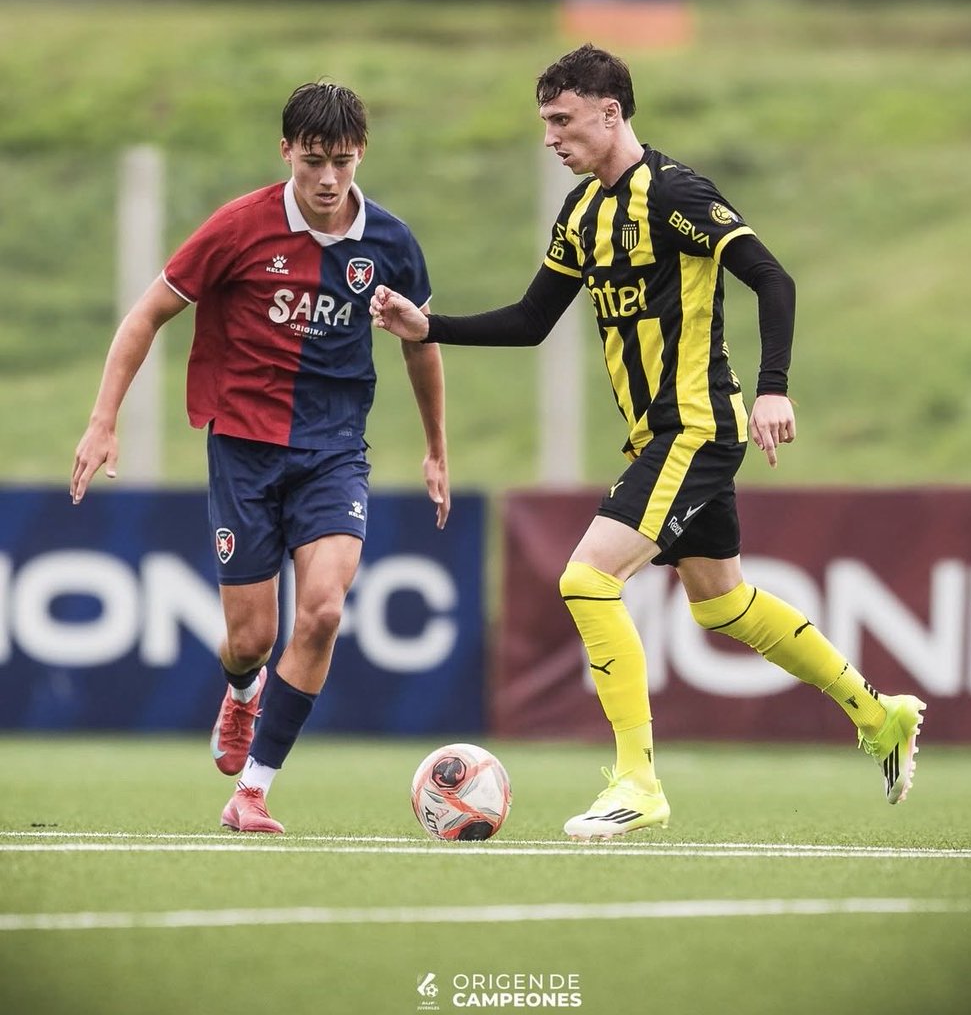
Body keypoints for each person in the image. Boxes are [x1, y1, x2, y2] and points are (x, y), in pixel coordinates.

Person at [371, 44, 925, 841]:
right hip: (656, 438)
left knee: (586, 580)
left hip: (696, 426)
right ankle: (881, 717)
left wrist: (774, 385)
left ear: (611, 112)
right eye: (545, 124)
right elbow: (532, 322)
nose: (552, 138)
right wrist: (432, 326)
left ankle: (638, 780)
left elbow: (773, 277)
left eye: (563, 121)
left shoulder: (674, 194)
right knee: (723, 605)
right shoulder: (583, 214)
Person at [71, 81, 449, 835]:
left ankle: (253, 790)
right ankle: (241, 693)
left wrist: (438, 448)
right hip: (243, 449)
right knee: (252, 638)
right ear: (286, 152)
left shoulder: (391, 244)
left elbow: (420, 343)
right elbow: (147, 312)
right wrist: (102, 419)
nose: (328, 179)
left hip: (336, 450)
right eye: (313, 161)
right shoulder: (238, 228)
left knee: (325, 611)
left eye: (341, 161)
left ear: (360, 155)